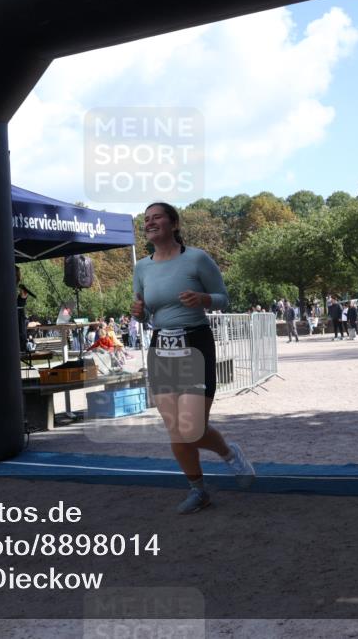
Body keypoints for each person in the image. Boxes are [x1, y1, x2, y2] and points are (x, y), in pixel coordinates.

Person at [131, 202, 254, 515]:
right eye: (146, 219)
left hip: (194, 342)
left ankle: (229, 453)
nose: (150, 222)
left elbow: (224, 298)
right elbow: (144, 313)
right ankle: (198, 490)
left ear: (174, 223)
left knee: (192, 427)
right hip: (161, 345)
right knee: (175, 427)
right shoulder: (142, 267)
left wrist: (204, 299)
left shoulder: (197, 258)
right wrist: (139, 313)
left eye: (156, 216)